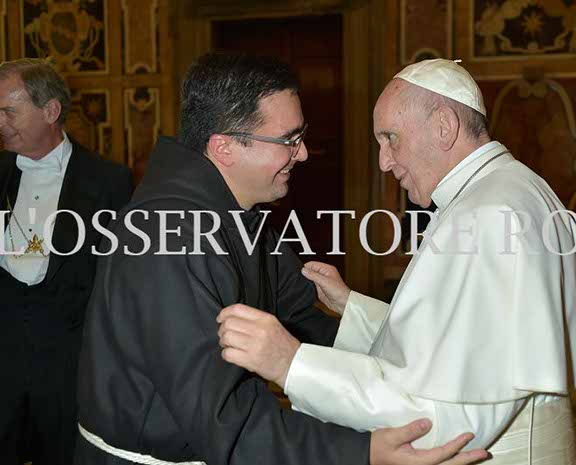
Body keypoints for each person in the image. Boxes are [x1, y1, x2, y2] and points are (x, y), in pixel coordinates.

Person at [74, 53, 487, 465]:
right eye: (289, 140)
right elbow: (224, 422)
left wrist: (408, 375)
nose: (303, 153)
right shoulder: (168, 241)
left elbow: (306, 322)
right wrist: (362, 453)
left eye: (300, 136)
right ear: (224, 147)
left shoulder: (238, 215)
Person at [217, 58, 576, 464]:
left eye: (391, 138)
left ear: (444, 126)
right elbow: (450, 340)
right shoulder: (505, 188)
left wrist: (292, 364)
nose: (384, 161)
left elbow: (446, 425)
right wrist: (351, 306)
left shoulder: (489, 214)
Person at [0, 58, 133, 465]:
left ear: (51, 110)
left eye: (8, 111)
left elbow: (119, 284)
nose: (0, 122)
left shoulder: (109, 181)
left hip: (69, 370)